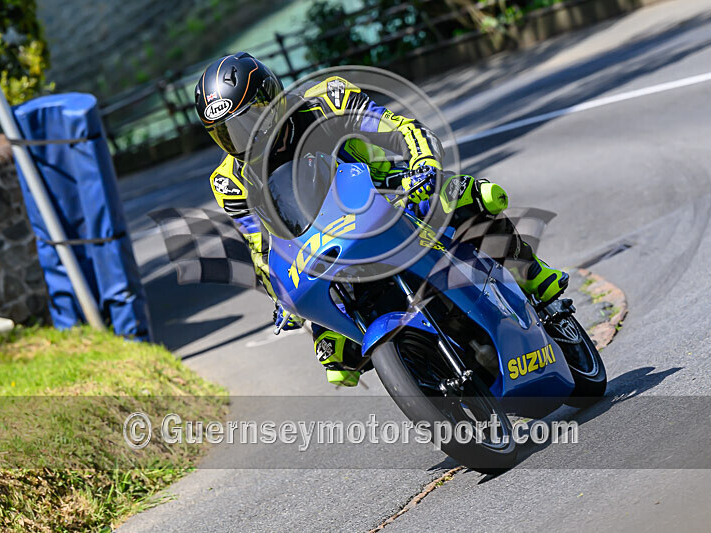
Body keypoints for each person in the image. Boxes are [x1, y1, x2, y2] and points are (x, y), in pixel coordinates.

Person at [195, 52, 568, 387]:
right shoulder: (230, 181)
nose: (243, 138)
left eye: (249, 121)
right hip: (324, 246)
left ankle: (533, 277)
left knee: (466, 195)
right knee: (336, 359)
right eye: (227, 133)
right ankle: (425, 373)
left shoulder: (327, 101)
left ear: (272, 99)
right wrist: (282, 297)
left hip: (391, 193)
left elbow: (398, 130)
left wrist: (423, 166)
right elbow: (261, 246)